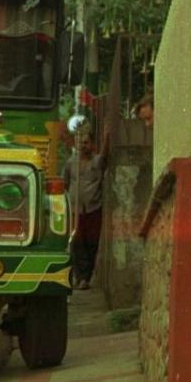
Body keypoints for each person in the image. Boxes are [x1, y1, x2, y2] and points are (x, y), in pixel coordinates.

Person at [63, 122, 110, 290]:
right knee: (76, 244)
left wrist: (107, 137)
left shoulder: (97, 162)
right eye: (80, 142)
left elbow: (105, 155)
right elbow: (65, 184)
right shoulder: (70, 163)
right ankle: (79, 276)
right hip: (75, 210)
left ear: (92, 144)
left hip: (93, 209)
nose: (83, 146)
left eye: (86, 142)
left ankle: (85, 278)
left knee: (91, 243)